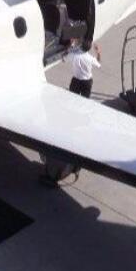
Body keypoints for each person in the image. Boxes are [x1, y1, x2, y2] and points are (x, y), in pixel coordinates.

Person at [40, 39, 102, 187]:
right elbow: (99, 64)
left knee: (71, 102)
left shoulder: (74, 55)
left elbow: (63, 58)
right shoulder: (89, 58)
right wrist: (98, 52)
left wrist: (70, 47)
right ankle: (81, 120)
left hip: (76, 81)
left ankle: (72, 118)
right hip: (86, 82)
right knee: (84, 103)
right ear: (89, 49)